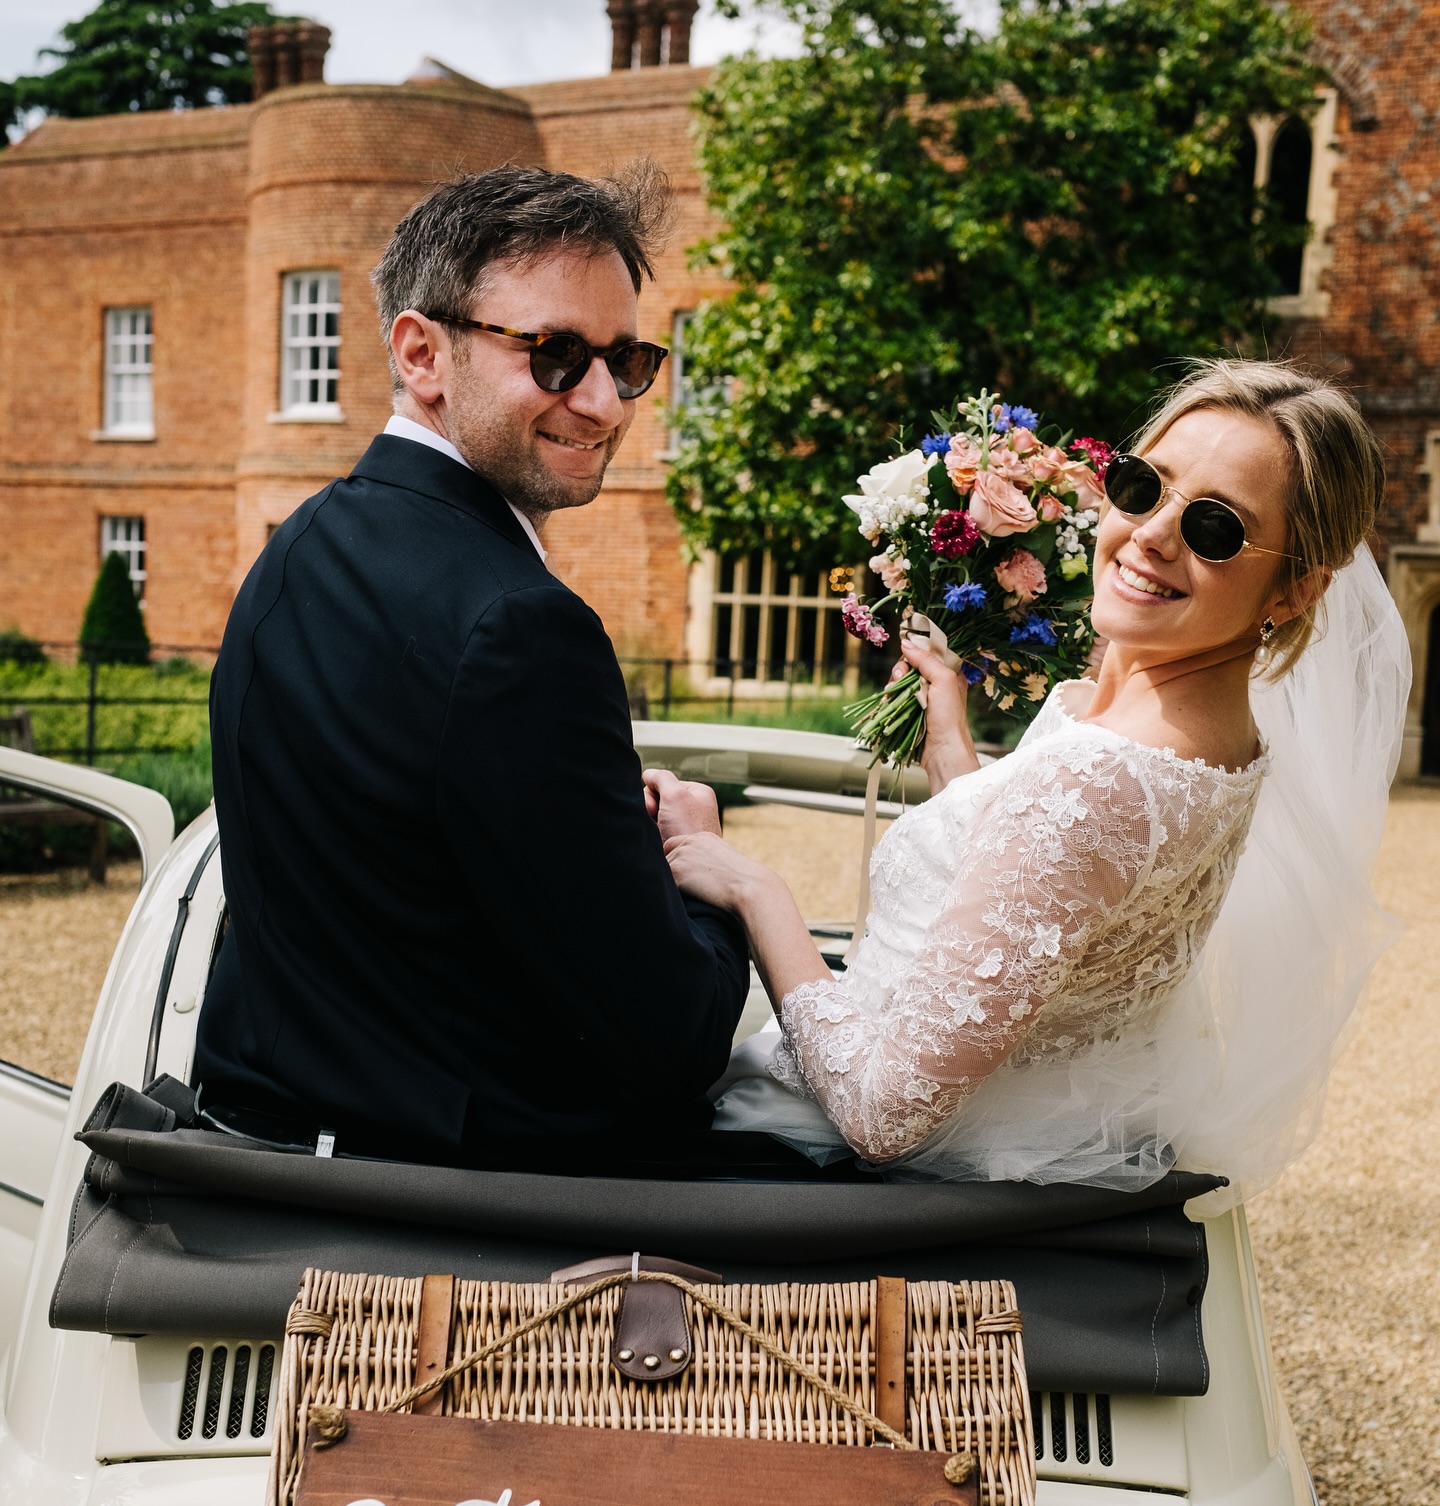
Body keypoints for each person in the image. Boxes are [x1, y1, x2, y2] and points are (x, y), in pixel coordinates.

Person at [664, 360, 1411, 1208]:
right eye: (1142, 486)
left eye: (1215, 528)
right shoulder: (1209, 737)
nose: (1151, 534)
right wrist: (953, 749)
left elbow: (883, 1112)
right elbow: (1046, 903)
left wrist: (752, 889)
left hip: (836, 1171)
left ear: (1297, 588)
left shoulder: (1103, 778)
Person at [195, 164, 751, 1171]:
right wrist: (703, 867)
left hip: (267, 1144)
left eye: (626, 360)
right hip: (471, 1196)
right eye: (556, 354)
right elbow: (673, 1040)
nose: (604, 403)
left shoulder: (299, 545)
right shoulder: (522, 627)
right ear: (423, 354)